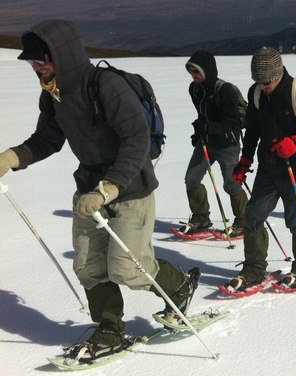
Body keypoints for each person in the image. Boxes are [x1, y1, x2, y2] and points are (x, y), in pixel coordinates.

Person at [0, 20, 198, 362]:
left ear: (61, 55)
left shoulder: (105, 85)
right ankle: (109, 328)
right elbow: (48, 138)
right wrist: (12, 157)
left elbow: (136, 140)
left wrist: (109, 187)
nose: (36, 68)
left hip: (131, 187)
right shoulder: (54, 93)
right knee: (89, 266)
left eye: (40, 61)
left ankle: (179, 285)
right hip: (89, 190)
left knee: (127, 269)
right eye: (32, 63)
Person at [223, 47, 296, 291]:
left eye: (268, 80)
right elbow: (253, 130)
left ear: (279, 73)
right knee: (252, 216)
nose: (264, 85)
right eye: (258, 80)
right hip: (268, 169)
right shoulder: (256, 93)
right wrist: (245, 160)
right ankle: (254, 269)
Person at [181, 50, 248, 236]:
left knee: (231, 184)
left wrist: (207, 128)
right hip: (206, 143)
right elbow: (203, 116)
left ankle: (243, 220)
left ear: (207, 70)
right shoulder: (195, 89)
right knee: (192, 179)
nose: (193, 75)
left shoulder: (224, 90)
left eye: (196, 71)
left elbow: (233, 123)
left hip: (227, 144)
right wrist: (199, 132)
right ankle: (201, 217)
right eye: (191, 72)